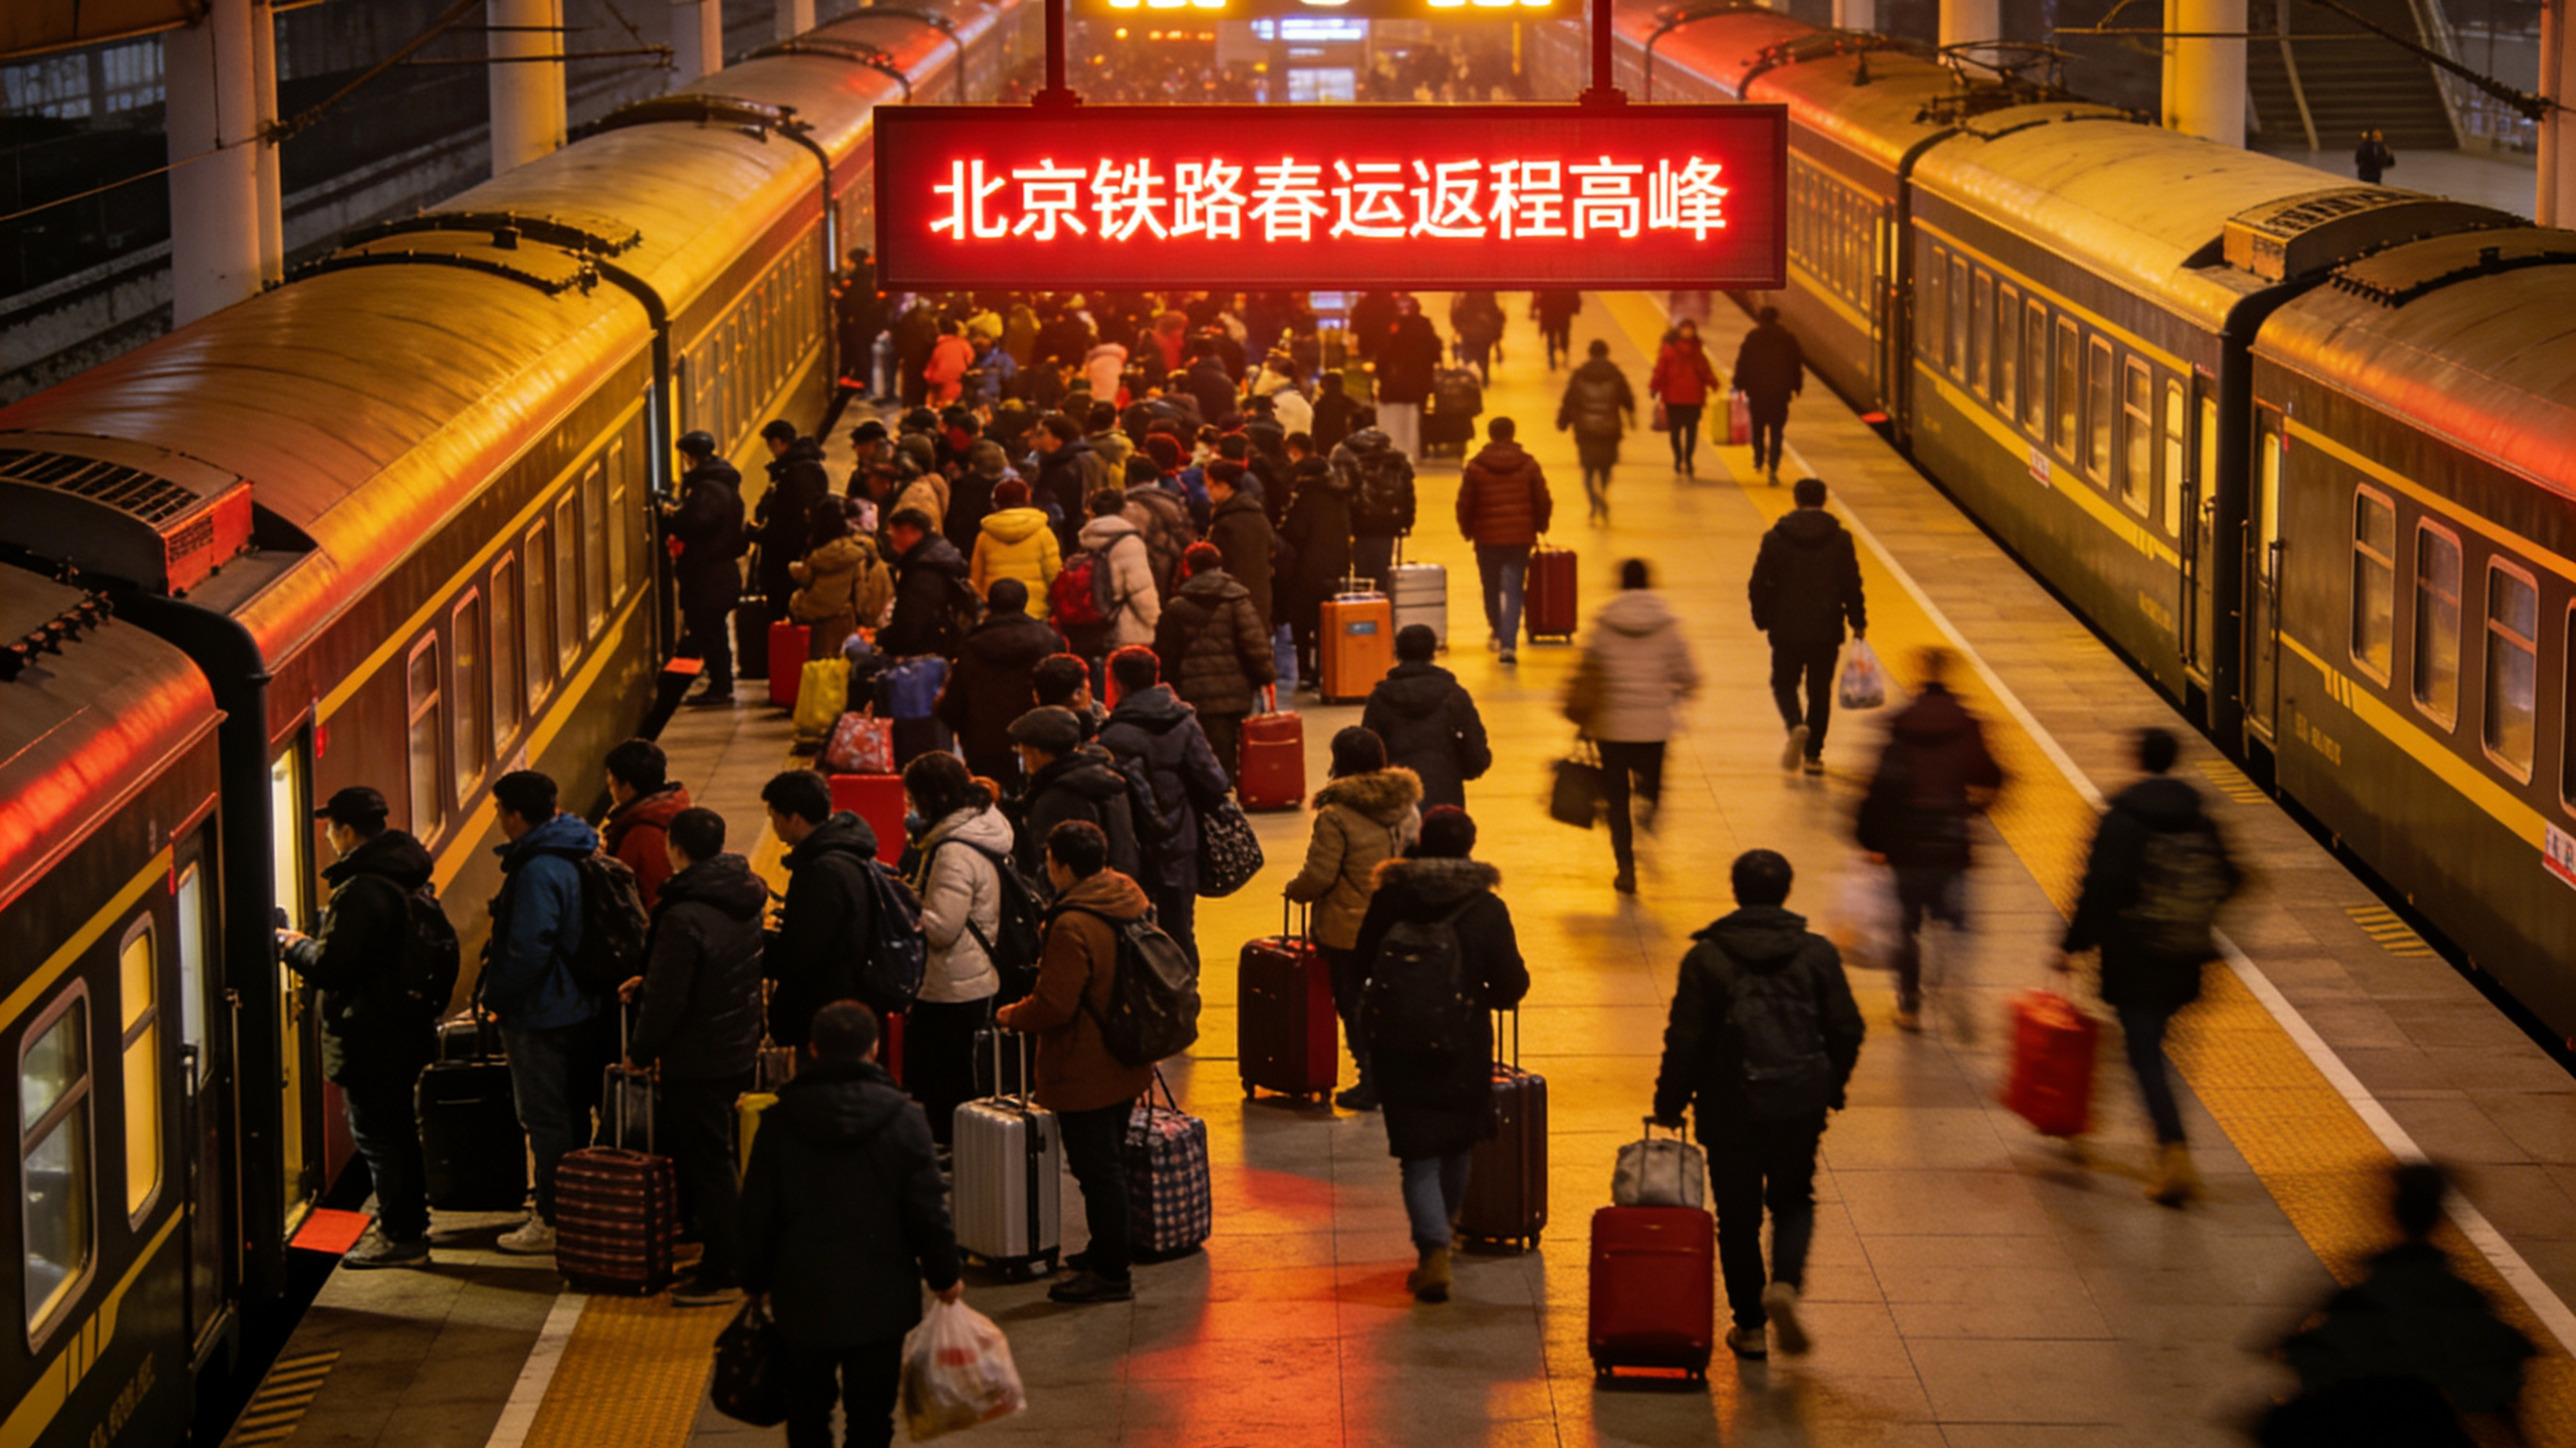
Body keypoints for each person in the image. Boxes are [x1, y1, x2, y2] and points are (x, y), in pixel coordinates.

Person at [1650, 849, 1865, 1361]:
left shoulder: (1707, 958)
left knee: (1737, 1218)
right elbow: (1847, 1028)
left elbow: (1687, 1039)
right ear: (1786, 891)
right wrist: (1829, 1086)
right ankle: (1786, 1284)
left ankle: (1750, 1327)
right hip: (1798, 1101)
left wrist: (1669, 1101)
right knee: (1793, 1199)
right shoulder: (1816, 954)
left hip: (1730, 1106)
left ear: (1735, 890)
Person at [739, 1000, 962, 1448]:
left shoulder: (780, 1119)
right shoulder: (904, 1117)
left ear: (814, 1049)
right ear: (874, 1049)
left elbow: (758, 1208)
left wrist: (754, 1279)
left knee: (806, 1412)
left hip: (801, 1294)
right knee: (872, 1417)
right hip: (882, 1297)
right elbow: (927, 1209)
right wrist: (945, 1274)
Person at [2051, 727, 2242, 1206]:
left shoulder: (2122, 817)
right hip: (2183, 955)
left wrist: (2070, 944)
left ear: (2136, 759)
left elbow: (2099, 889)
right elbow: (2233, 877)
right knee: (2149, 1049)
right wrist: (2196, 914)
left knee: (2145, 1056)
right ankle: (2094, 1130)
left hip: (2135, 957)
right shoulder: (2199, 816)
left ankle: (2173, 1154)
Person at [1353, 807, 1528, 1303]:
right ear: (1471, 847)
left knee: (1417, 1154)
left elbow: (1362, 961)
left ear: (1422, 842)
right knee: (1456, 1141)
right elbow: (1511, 985)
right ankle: (1442, 1237)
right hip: (1461, 1043)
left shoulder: (1391, 897)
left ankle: (1432, 1252)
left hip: (1396, 1044)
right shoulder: (1485, 908)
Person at [276, 786, 441, 1269]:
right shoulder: (403, 873)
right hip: (403, 1025)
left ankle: (401, 1236)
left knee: (379, 1137)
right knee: (397, 1132)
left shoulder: (362, 888)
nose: (328, 837)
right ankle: (410, 1224)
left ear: (346, 831)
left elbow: (332, 968)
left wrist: (291, 946)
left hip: (371, 1034)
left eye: (330, 829)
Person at [995, 821, 1156, 1305]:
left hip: (1085, 1066)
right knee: (1109, 1165)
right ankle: (1107, 1247)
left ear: (1061, 865)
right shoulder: (1127, 899)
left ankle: (1111, 1273)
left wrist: (1011, 1015)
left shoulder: (1071, 924)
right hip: (1127, 1055)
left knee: (1096, 1170)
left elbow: (1056, 1005)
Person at [2264, 1161, 2534, 1448]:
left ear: (2390, 1209)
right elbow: (2491, 1392)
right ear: (2441, 1214)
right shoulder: (2462, 1298)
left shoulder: (2358, 1295)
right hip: (2426, 1432)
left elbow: (2307, 1361)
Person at [621, 807, 763, 1306]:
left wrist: (640, 1052)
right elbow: (716, 968)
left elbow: (669, 999)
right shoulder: (742, 895)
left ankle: (725, 1267)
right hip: (735, 1042)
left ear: (674, 848)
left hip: (699, 1055)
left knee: (709, 1162)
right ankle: (718, 1247)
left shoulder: (683, 912)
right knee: (714, 1156)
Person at [479, 770, 611, 1257]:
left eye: (497, 810)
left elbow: (529, 947)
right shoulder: (572, 849)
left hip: (542, 1011)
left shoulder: (537, 869)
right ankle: (574, 1207)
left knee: (545, 1118)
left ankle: (553, 1217)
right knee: (571, 1114)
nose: (497, 819)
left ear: (514, 814)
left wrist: (496, 998)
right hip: (576, 1004)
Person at [1857, 648, 2003, 1035]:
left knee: (1906, 926)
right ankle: (1954, 983)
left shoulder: (1899, 723)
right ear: (1951, 674)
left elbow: (1878, 787)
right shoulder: (1968, 724)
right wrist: (1976, 811)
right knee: (1956, 921)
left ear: (1919, 672)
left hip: (1906, 844)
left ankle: (1909, 1004)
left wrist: (1870, 842)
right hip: (1951, 840)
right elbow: (1993, 776)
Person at [1283, 727, 1423, 1112]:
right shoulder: (1407, 807)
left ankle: (1371, 1078)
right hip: (1398, 924)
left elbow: (1320, 875)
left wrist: (1295, 891)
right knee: (1394, 1001)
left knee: (1354, 1004)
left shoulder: (1337, 814)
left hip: (1349, 931)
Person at [1565, 559, 1702, 895]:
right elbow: (1690, 676)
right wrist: (1677, 692)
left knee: (1616, 799)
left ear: (1621, 584)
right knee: (1653, 783)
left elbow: (1586, 672)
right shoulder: (1668, 624)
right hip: (1654, 727)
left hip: (1611, 727)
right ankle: (1649, 808)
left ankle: (1625, 867)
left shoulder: (1603, 624)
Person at [901, 754, 1012, 1150]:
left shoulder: (953, 850)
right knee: (961, 1077)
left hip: (951, 983)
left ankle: (954, 1152)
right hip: (975, 975)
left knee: (945, 1081)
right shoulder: (980, 825)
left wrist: (907, 904)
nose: (909, 808)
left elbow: (944, 928)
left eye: (913, 798)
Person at [1096, 646, 1230, 965]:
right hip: (1182, 839)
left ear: (1118, 683)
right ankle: (1185, 993)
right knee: (1180, 926)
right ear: (1156, 676)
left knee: (1140, 926)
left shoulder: (1112, 735)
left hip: (1137, 844)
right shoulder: (1184, 722)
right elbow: (1215, 781)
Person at [1748, 476, 1866, 776]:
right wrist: (1858, 621)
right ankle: (1813, 755)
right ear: (1824, 500)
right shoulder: (1840, 539)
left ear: (1796, 500)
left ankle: (1795, 725)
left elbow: (1757, 584)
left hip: (1785, 627)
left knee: (1784, 683)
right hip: (1826, 628)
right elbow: (1851, 584)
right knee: (1819, 690)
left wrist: (1763, 618)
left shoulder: (1775, 538)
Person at [761, 769, 884, 1049]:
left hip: (823, 1010)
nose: (774, 825)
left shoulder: (821, 871)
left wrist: (759, 946)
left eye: (774, 817)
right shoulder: (847, 852)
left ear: (793, 818)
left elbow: (803, 952)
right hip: (847, 997)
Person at [1153, 542, 1276, 784]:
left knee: (1202, 753)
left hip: (1195, 694)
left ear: (1188, 568)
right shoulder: (1237, 599)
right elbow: (1254, 644)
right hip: (1237, 692)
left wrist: (1169, 688)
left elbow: (1166, 655)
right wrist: (1265, 677)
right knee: (1230, 752)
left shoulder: (1177, 607)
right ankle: (1226, 797)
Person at [929, 578, 1057, 787]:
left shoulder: (970, 648)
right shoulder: (1048, 642)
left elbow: (952, 705)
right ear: (1024, 602)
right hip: (1039, 745)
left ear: (990, 603)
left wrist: (968, 735)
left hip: (984, 749)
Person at [1362, 625, 1491, 812]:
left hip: (1397, 794)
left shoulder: (1380, 698)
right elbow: (1475, 745)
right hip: (1445, 790)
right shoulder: (1453, 694)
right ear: (1432, 653)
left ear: (1398, 653)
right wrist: (1462, 770)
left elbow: (1368, 750)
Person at [1454, 416, 1551, 665]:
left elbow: (1466, 503)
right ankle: (1509, 644)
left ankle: (1497, 630)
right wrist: (1539, 526)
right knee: (1515, 589)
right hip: (1520, 537)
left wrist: (1467, 529)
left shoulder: (1476, 466)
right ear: (1512, 433)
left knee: (1491, 586)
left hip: (1486, 538)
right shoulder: (1528, 464)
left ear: (1490, 434)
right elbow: (1542, 499)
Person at [666, 430, 746, 706]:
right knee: (714, 631)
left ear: (691, 457)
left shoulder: (707, 490)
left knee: (710, 632)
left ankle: (720, 687)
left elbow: (694, 525)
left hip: (709, 575)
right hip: (719, 573)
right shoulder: (723, 486)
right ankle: (719, 684)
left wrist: (672, 518)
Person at [1280, 431, 1351, 688]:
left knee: (1302, 623)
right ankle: (1327, 670)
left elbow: (1296, 534)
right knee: (1326, 624)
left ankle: (1306, 671)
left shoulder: (1306, 498)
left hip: (1306, 570)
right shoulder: (1338, 496)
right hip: (1336, 567)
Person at [788, 497, 891, 660]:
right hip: (852, 626)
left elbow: (811, 599)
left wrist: (795, 601)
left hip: (823, 629)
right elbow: (865, 599)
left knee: (823, 674)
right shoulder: (861, 552)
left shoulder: (817, 557)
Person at [598, 739, 691, 911]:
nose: (610, 785)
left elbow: (652, 896)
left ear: (627, 786)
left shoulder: (645, 834)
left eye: (611, 779)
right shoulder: (665, 813)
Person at [1331, 408, 1415, 594]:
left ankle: (1364, 613)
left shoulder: (1343, 454)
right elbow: (1407, 491)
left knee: (1361, 576)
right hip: (1388, 525)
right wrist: (1407, 522)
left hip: (1358, 525)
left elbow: (1337, 489)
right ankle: (1382, 611)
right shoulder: (1396, 456)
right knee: (1383, 573)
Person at [1557, 340, 1637, 524]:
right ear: (1606, 353)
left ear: (1590, 353)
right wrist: (1631, 417)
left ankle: (1594, 501)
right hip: (1610, 429)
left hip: (1585, 429)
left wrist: (1563, 422)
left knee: (1588, 468)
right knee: (1606, 467)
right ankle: (1603, 489)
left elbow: (1570, 400)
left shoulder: (1580, 374)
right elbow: (1627, 398)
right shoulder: (1615, 374)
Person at [757, 420, 832, 610]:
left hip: (788, 557)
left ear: (779, 442)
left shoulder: (798, 473)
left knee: (783, 608)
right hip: (787, 553)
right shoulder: (797, 469)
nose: (772, 452)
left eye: (772, 446)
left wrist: (762, 534)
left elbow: (791, 521)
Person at [878, 508, 972, 659]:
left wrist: (881, 639)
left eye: (894, 534)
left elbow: (911, 624)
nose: (892, 541)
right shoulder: (934, 559)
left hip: (925, 655)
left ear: (908, 531)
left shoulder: (925, 572)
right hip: (941, 647)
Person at [1077, 488, 1163, 653]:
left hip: (1092, 627)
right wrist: (1155, 620)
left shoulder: (1085, 539)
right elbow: (1141, 590)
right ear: (1122, 509)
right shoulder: (1129, 542)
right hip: (1127, 630)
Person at [1732, 307, 1806, 485]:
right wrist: (1796, 387)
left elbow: (1743, 364)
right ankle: (1773, 466)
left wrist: (1738, 385)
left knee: (1757, 430)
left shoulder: (1752, 338)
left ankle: (1758, 459)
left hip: (1756, 394)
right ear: (1777, 319)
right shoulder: (1788, 340)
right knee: (1776, 432)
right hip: (1779, 394)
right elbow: (1796, 366)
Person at [1202, 460, 1275, 635]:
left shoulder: (1227, 522)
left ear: (1223, 485)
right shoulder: (1257, 516)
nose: (1207, 490)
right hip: (1260, 600)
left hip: (1234, 604)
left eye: (1209, 484)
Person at [1374, 297, 1445, 460]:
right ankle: (1420, 448)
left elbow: (1382, 357)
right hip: (1419, 383)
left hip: (1394, 386)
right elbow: (1435, 352)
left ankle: (1396, 447)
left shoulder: (1391, 328)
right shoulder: (1423, 325)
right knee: (1420, 415)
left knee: (1396, 417)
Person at [1649, 320, 1722, 475]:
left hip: (1687, 399)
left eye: (1690, 329)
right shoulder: (1678, 350)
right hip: (1679, 398)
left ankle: (1684, 459)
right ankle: (1682, 459)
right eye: (1686, 329)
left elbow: (1704, 369)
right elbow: (1660, 370)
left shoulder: (1690, 349)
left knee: (1685, 432)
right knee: (1683, 432)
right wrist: (1654, 386)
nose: (1688, 332)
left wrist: (1714, 383)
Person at [1448, 291, 1505, 383]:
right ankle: (1484, 376)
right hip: (1484, 333)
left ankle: (1470, 378)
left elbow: (1457, 315)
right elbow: (1495, 312)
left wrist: (1459, 327)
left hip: (1469, 332)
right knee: (1484, 355)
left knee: (1469, 356)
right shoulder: (1488, 297)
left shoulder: (1466, 300)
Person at [924, 318, 973, 406]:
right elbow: (970, 360)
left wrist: (930, 380)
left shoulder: (939, 346)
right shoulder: (963, 344)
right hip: (957, 380)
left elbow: (931, 367)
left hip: (939, 383)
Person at [1310, 373, 1358, 455]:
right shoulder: (1350, 403)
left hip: (1323, 448)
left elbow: (1314, 427)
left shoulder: (1320, 404)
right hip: (1345, 448)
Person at [1532, 290, 1581, 370]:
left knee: (1550, 336)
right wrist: (1576, 308)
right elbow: (1574, 295)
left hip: (1550, 314)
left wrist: (1535, 308)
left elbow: (1541, 297)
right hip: (1564, 314)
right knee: (1564, 335)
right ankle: (1564, 353)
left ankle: (1552, 359)